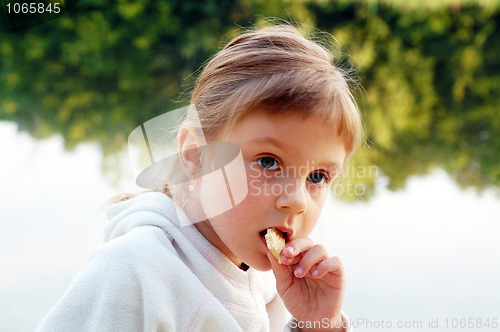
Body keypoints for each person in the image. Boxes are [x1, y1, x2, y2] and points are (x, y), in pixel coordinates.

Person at [37, 24, 362, 332]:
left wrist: (317, 323)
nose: (297, 199)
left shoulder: (277, 290)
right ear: (195, 154)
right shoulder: (134, 272)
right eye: (268, 162)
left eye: (317, 177)